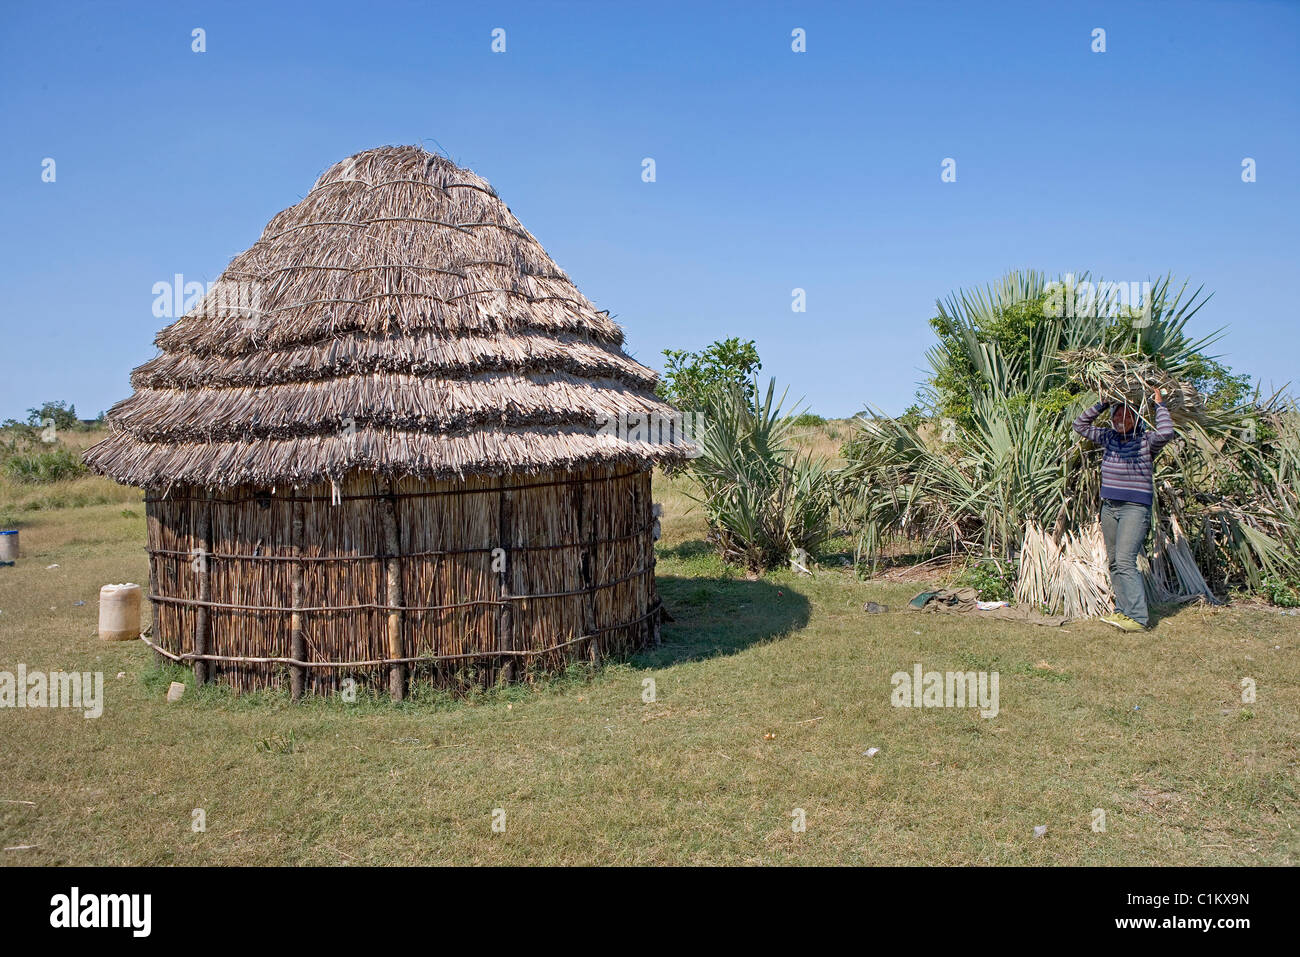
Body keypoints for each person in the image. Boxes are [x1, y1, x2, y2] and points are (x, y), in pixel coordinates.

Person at [1072, 388, 1177, 631]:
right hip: (1110, 506)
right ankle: (1122, 610)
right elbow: (1080, 424)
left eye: (1126, 417)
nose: (1120, 421)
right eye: (1116, 417)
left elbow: (1167, 432)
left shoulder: (1146, 441)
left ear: (1136, 419)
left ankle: (1139, 618)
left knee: (1126, 560)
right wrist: (1103, 403)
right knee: (1115, 562)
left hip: (1134, 508)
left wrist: (1159, 404)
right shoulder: (1109, 437)